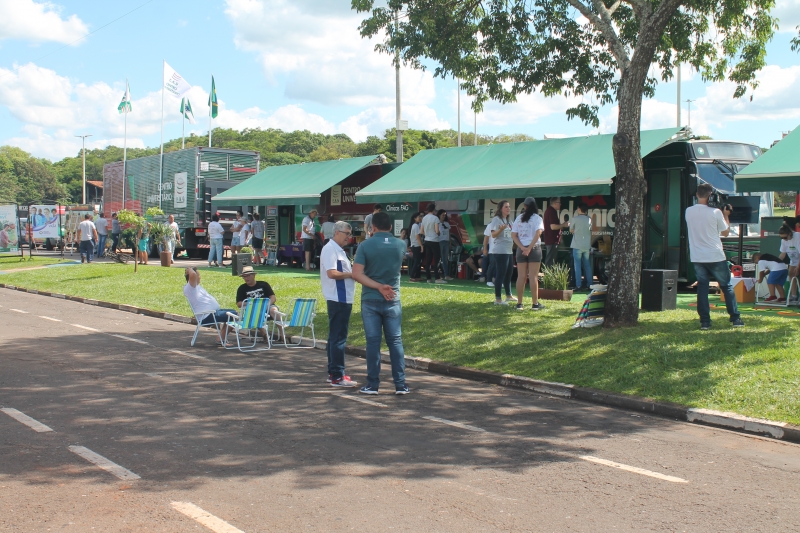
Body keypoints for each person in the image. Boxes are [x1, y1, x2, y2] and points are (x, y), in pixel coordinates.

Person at [352, 212, 409, 395]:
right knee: (395, 341)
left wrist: (378, 286)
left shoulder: (365, 245)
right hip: (393, 297)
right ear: (391, 227)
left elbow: (357, 274)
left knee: (373, 342)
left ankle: (373, 384)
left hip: (371, 298)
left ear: (372, 227)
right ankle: (400, 384)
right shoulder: (401, 244)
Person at [685, 183, 744, 329]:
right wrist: (726, 215)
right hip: (715, 255)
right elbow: (725, 232)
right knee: (726, 286)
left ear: (697, 194)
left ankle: (705, 322)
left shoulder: (689, 211)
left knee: (702, 288)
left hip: (697, 256)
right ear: (711, 195)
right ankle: (735, 318)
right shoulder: (716, 212)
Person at [320, 220, 358, 387]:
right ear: (337, 233)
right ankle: (337, 375)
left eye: (350, 234)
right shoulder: (330, 249)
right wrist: (351, 274)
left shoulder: (338, 249)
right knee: (338, 338)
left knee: (335, 337)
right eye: (346, 234)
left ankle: (334, 372)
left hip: (342, 297)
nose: (349, 237)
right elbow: (332, 273)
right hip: (338, 297)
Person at [184, 266, 236, 346]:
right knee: (234, 315)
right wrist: (190, 269)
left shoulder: (196, 287)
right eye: (198, 275)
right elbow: (193, 275)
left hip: (213, 313)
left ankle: (221, 337)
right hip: (207, 316)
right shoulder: (190, 288)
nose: (200, 277)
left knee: (233, 312)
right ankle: (220, 338)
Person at [511, 197, 545, 310]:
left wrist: (522, 247)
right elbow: (538, 233)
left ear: (524, 206)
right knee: (533, 276)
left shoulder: (519, 218)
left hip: (521, 249)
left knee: (521, 276)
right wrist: (529, 248)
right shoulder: (538, 218)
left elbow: (513, 235)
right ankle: (535, 304)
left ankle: (519, 303)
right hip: (534, 249)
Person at [235, 265, 281, 341]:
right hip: (253, 308)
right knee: (254, 313)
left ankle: (282, 334)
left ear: (254, 275)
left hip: (267, 306)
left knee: (274, 310)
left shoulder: (264, 284)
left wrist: (267, 304)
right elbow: (239, 304)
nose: (246, 278)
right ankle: (265, 335)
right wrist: (253, 304)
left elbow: (273, 297)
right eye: (244, 276)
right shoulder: (242, 288)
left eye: (248, 276)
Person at [488, 200, 515, 305]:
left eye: (509, 207)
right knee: (501, 274)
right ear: (500, 209)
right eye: (506, 207)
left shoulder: (509, 220)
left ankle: (509, 295)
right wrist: (501, 229)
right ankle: (498, 299)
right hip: (501, 250)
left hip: (509, 250)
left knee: (509, 273)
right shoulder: (496, 219)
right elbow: (493, 235)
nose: (508, 209)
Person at [570, 202, 593, 291]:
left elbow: (571, 230)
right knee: (587, 265)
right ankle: (590, 284)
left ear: (579, 209)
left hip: (577, 245)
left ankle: (578, 285)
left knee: (577, 266)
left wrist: (575, 231)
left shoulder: (575, 219)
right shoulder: (589, 219)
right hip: (586, 245)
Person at [420, 203, 445, 284]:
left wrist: (427, 234)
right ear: (434, 209)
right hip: (434, 240)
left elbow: (421, 231)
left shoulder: (424, 218)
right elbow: (437, 231)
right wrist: (438, 234)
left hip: (427, 240)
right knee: (437, 259)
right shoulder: (435, 218)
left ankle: (428, 278)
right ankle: (437, 278)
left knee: (428, 260)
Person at [543, 197, 569, 267]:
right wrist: (563, 225)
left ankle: (549, 273)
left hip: (552, 240)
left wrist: (561, 226)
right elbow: (553, 227)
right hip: (552, 240)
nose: (560, 204)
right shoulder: (551, 211)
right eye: (559, 203)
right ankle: (548, 274)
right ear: (554, 203)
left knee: (551, 260)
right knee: (550, 261)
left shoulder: (550, 211)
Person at [778, 225, 800, 302]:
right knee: (791, 275)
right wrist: (776, 262)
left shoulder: (798, 237)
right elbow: (783, 253)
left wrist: (798, 267)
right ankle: (794, 296)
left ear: (790, 233)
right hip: (793, 260)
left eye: (785, 237)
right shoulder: (784, 241)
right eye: (782, 238)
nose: (784, 239)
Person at [437, 209, 453, 280]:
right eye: (442, 215)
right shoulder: (437, 223)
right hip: (439, 242)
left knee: (445, 259)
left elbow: (449, 234)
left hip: (446, 242)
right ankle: (437, 274)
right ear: (439, 215)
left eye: (445, 215)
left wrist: (450, 242)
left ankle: (446, 275)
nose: (444, 216)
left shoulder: (447, 224)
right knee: (438, 259)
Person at [408, 212, 423, 281]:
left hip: (415, 245)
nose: (420, 218)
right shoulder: (415, 226)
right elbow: (417, 237)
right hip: (416, 246)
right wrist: (421, 246)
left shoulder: (415, 225)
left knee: (418, 262)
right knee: (417, 262)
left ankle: (417, 276)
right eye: (418, 217)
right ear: (415, 218)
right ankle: (412, 276)